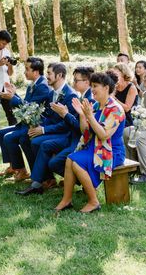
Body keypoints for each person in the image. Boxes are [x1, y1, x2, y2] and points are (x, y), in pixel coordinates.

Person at [53, 72, 126, 213]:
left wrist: (89, 116)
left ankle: (93, 201)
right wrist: (82, 115)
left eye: (95, 86)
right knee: (70, 159)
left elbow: (104, 135)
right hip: (95, 147)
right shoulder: (97, 105)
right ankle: (66, 200)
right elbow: (85, 131)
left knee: (77, 162)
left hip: (111, 152)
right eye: (91, 86)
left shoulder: (116, 109)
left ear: (106, 88)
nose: (92, 89)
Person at [17, 67, 94, 195]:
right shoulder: (78, 96)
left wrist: (64, 114)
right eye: (73, 80)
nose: (73, 82)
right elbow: (50, 116)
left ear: (87, 82)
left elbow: (80, 128)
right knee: (39, 143)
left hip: (75, 138)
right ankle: (37, 182)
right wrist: (36, 123)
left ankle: (82, 181)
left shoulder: (82, 98)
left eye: (76, 80)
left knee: (52, 159)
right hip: (70, 135)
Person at [0, 57, 50, 181]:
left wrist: (13, 97)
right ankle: (13, 167)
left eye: (27, 69)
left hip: (35, 125)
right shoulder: (33, 84)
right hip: (26, 123)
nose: (24, 72)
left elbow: (30, 109)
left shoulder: (42, 86)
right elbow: (26, 104)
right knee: (0, 132)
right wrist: (14, 94)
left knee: (9, 137)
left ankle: (22, 171)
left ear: (35, 72)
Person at [20, 63, 78, 171]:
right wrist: (37, 125)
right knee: (25, 137)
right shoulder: (52, 94)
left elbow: (67, 124)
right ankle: (41, 176)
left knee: (36, 142)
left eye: (49, 73)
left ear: (59, 75)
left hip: (65, 134)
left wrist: (43, 130)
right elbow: (48, 116)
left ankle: (42, 179)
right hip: (54, 130)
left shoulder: (70, 95)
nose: (46, 76)